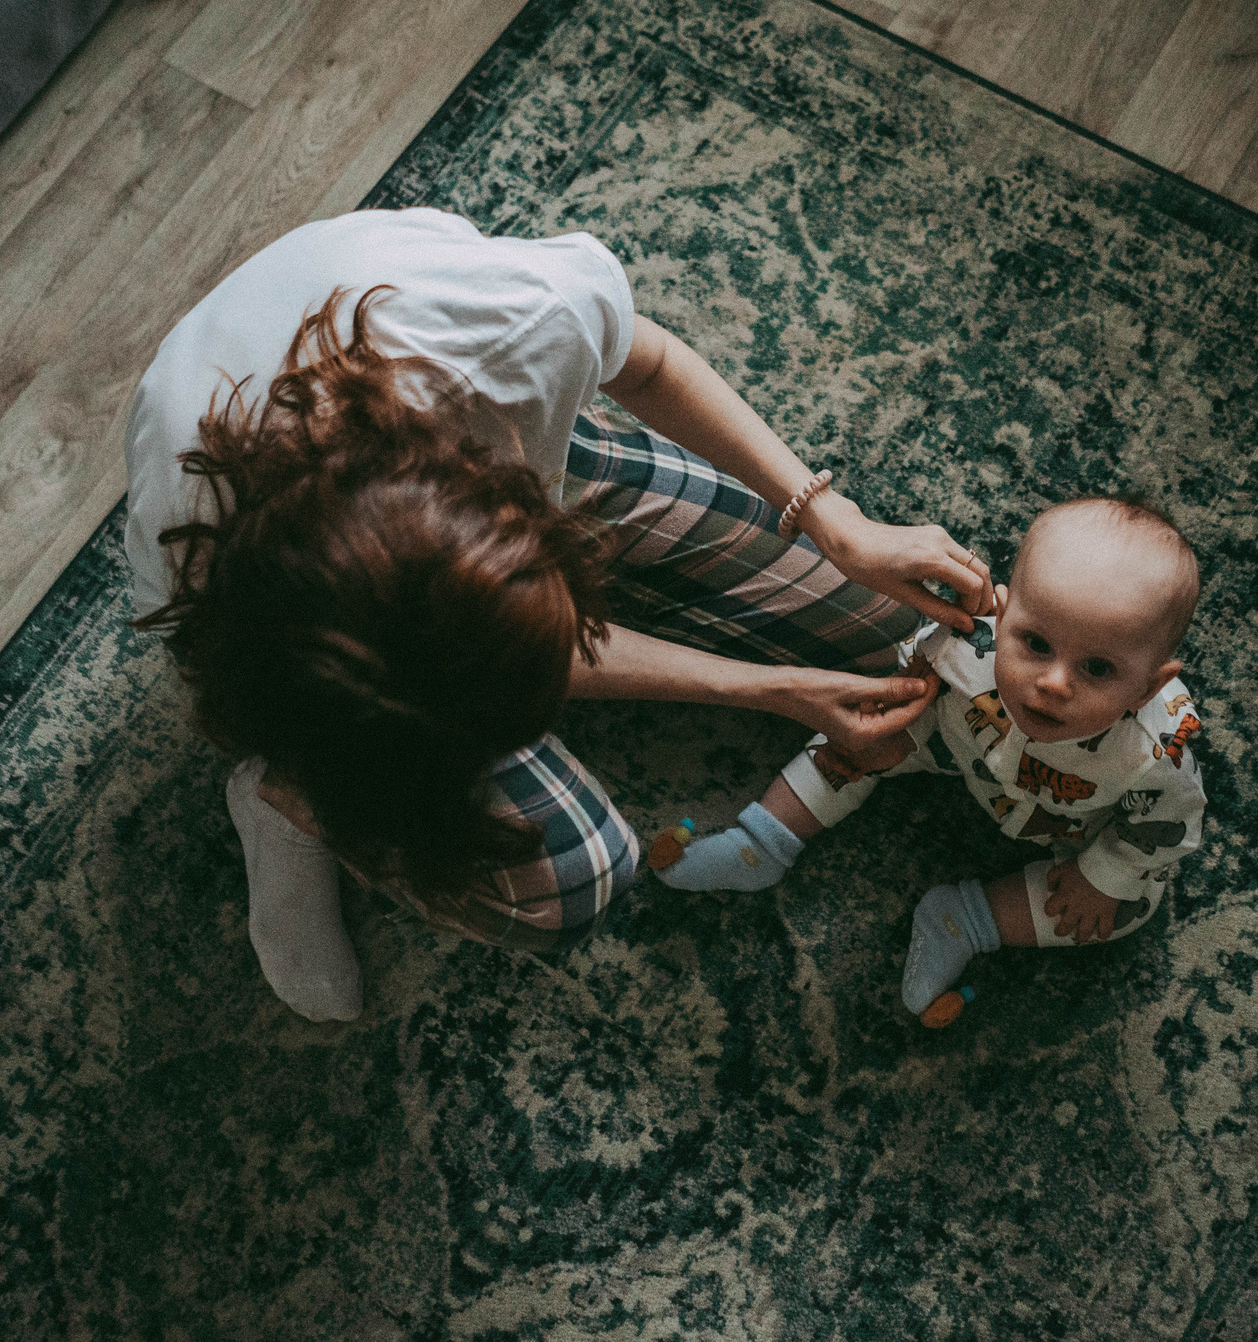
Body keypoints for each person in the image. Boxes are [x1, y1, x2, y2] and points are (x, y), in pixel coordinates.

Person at [122, 207, 993, 1021]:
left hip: (467, 450)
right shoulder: (203, 579)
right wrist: (772, 689)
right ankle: (294, 799)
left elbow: (645, 363)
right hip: (312, 672)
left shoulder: (518, 330)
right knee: (574, 877)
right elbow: (502, 664)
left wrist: (838, 527)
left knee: (896, 632)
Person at [654, 497, 1207, 1026]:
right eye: (1035, 643)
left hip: (1076, 821)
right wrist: (896, 715)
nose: (1053, 683)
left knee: (1126, 902)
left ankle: (967, 920)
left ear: (1148, 686)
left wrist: (1103, 875)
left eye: (1099, 669)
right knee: (860, 730)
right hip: (956, 743)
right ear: (1002, 613)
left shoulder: (1155, 752)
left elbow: (1168, 826)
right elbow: (917, 661)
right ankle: (763, 840)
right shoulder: (969, 646)